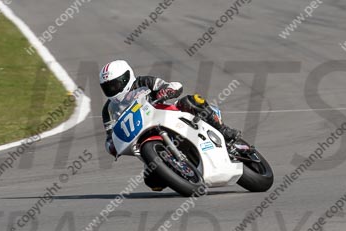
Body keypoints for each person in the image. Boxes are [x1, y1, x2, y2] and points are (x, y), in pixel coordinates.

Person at [100, 60, 241, 188]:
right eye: (108, 87)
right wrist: (111, 145)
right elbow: (109, 135)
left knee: (192, 101)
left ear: (127, 77)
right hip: (142, 136)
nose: (112, 89)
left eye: (116, 84)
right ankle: (177, 170)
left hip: (165, 115)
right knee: (153, 183)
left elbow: (169, 86)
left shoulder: (144, 82)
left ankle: (223, 130)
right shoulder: (108, 110)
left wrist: (167, 90)